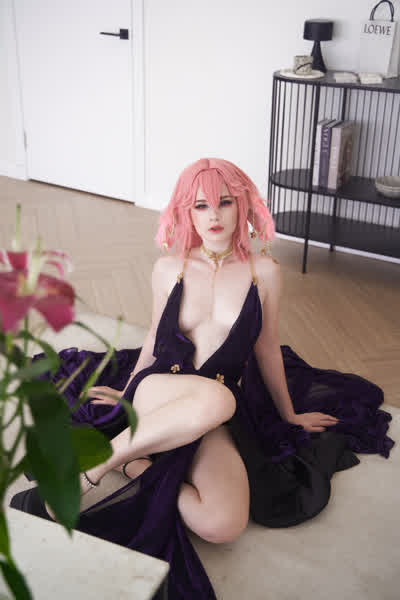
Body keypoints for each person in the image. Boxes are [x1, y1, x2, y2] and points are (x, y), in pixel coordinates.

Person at [11, 158, 394, 600]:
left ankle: (136, 462)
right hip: (162, 386)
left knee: (223, 523)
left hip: (217, 409)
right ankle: (89, 474)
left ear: (242, 206)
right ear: (186, 212)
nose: (214, 215)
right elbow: (154, 337)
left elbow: (267, 347)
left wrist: (289, 414)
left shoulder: (265, 273)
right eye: (201, 205)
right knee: (220, 400)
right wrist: (128, 391)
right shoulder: (168, 267)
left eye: (224, 202)